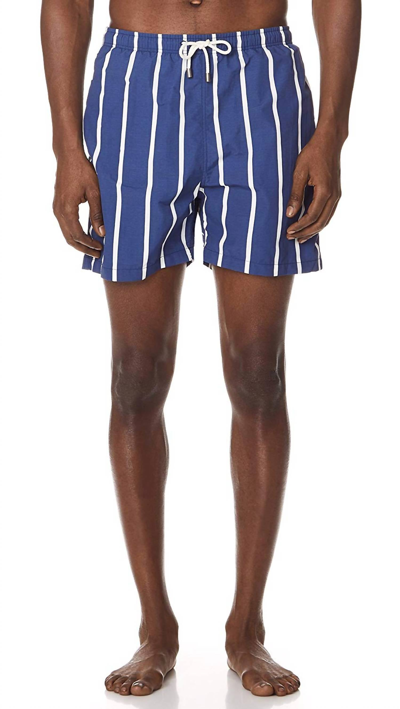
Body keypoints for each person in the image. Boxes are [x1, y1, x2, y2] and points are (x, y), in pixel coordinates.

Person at [41, 0, 361, 697]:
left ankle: (247, 627)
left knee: (257, 373)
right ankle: (155, 625)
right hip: (136, 79)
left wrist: (331, 131)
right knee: (135, 376)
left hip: (258, 78)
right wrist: (67, 146)